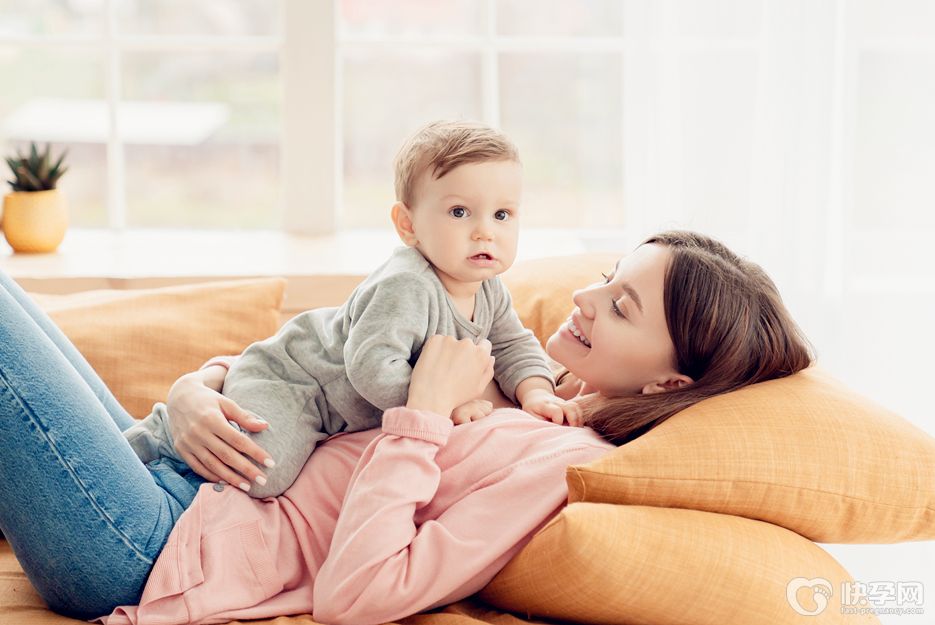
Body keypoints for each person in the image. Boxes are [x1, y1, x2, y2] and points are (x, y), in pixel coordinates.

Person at [0, 230, 812, 624]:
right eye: (605, 279)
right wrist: (198, 386)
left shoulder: (558, 463)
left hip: (153, 550)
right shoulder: (515, 371)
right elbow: (315, 375)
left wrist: (421, 413)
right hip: (177, 470)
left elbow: (360, 594)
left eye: (621, 305)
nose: (585, 300)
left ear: (670, 380)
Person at [121, 120, 575, 498]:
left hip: (327, 406)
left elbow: (515, 343)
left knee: (265, 475)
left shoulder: (489, 288)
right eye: (460, 212)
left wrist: (535, 392)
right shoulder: (408, 284)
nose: (484, 232)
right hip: (295, 380)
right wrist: (443, 405)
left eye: (502, 215)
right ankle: (158, 437)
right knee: (262, 475)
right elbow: (372, 368)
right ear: (408, 225)